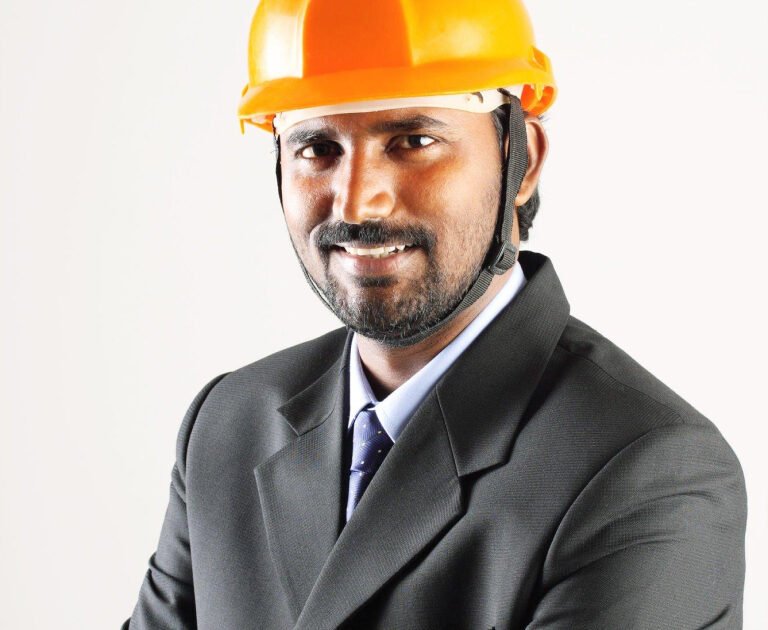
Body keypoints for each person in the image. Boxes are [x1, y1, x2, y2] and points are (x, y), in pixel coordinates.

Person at [123, 0, 747, 628]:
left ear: (523, 160)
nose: (358, 202)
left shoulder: (645, 472)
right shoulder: (228, 425)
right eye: (317, 147)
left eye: (413, 142)